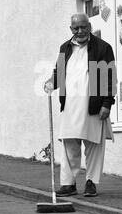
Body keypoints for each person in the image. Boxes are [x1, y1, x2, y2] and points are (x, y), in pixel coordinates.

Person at [44, 13, 117, 197]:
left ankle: (91, 182)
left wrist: (107, 103)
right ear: (71, 29)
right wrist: (51, 83)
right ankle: (68, 184)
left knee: (94, 145)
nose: (80, 31)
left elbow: (109, 78)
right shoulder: (65, 47)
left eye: (83, 27)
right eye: (76, 28)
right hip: (70, 106)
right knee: (69, 144)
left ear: (89, 26)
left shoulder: (102, 48)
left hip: (93, 105)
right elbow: (59, 73)